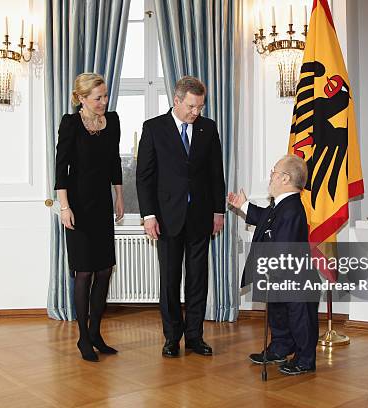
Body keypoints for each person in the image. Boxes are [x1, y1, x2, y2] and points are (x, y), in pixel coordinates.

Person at [136, 76, 226, 358]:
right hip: (166, 218)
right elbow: (144, 177)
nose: (196, 112)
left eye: (200, 106)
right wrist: (148, 215)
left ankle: (195, 337)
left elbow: (215, 173)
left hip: (200, 217)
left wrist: (218, 211)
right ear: (176, 101)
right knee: (170, 280)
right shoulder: (153, 128)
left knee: (198, 279)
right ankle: (172, 337)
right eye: (191, 106)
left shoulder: (207, 128)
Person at [228, 155, 319, 376]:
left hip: (295, 278)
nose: (271, 176)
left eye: (274, 172)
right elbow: (265, 218)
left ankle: (305, 359)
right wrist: (243, 205)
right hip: (281, 276)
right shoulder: (280, 204)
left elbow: (284, 245)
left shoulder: (292, 209)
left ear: (285, 178)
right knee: (279, 314)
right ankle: (280, 347)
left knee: (300, 319)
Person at [54, 73, 124, 362]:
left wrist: (119, 195)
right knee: (84, 272)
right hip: (78, 207)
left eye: (105, 96)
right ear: (81, 98)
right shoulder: (70, 124)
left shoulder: (114, 121)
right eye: (98, 98)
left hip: (101, 206)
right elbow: (61, 168)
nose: (104, 102)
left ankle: (96, 331)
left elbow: (115, 161)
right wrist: (64, 207)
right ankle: (83, 336)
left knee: (105, 270)